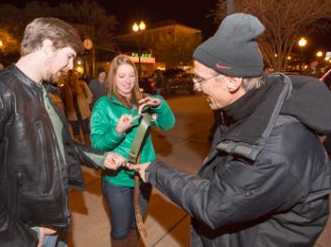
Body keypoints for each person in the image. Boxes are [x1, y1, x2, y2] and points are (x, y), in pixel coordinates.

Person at [130, 13, 331, 246]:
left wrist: (155, 171)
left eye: (200, 79)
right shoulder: (245, 108)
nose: (196, 87)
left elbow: (214, 204)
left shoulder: (279, 148)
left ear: (232, 81)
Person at [0, 17, 126, 247]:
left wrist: (102, 158)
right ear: (47, 46)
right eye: (69, 56)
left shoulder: (51, 95)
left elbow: (64, 146)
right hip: (25, 235)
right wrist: (25, 238)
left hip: (56, 224)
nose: (72, 66)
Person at [90, 54, 175, 246]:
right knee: (120, 231)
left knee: (135, 226)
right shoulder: (104, 105)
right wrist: (117, 130)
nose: (128, 81)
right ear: (113, 78)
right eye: (122, 76)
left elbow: (168, 124)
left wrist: (160, 104)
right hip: (117, 178)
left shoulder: (145, 101)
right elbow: (96, 144)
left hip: (144, 174)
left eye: (131, 75)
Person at [62, 69, 93, 144]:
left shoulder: (82, 84)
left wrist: (86, 103)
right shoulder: (65, 87)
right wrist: (66, 109)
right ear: (69, 77)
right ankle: (79, 149)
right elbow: (63, 100)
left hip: (83, 112)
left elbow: (90, 95)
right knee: (76, 133)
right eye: (73, 75)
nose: (75, 77)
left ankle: (88, 147)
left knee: (86, 131)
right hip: (72, 114)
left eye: (76, 75)